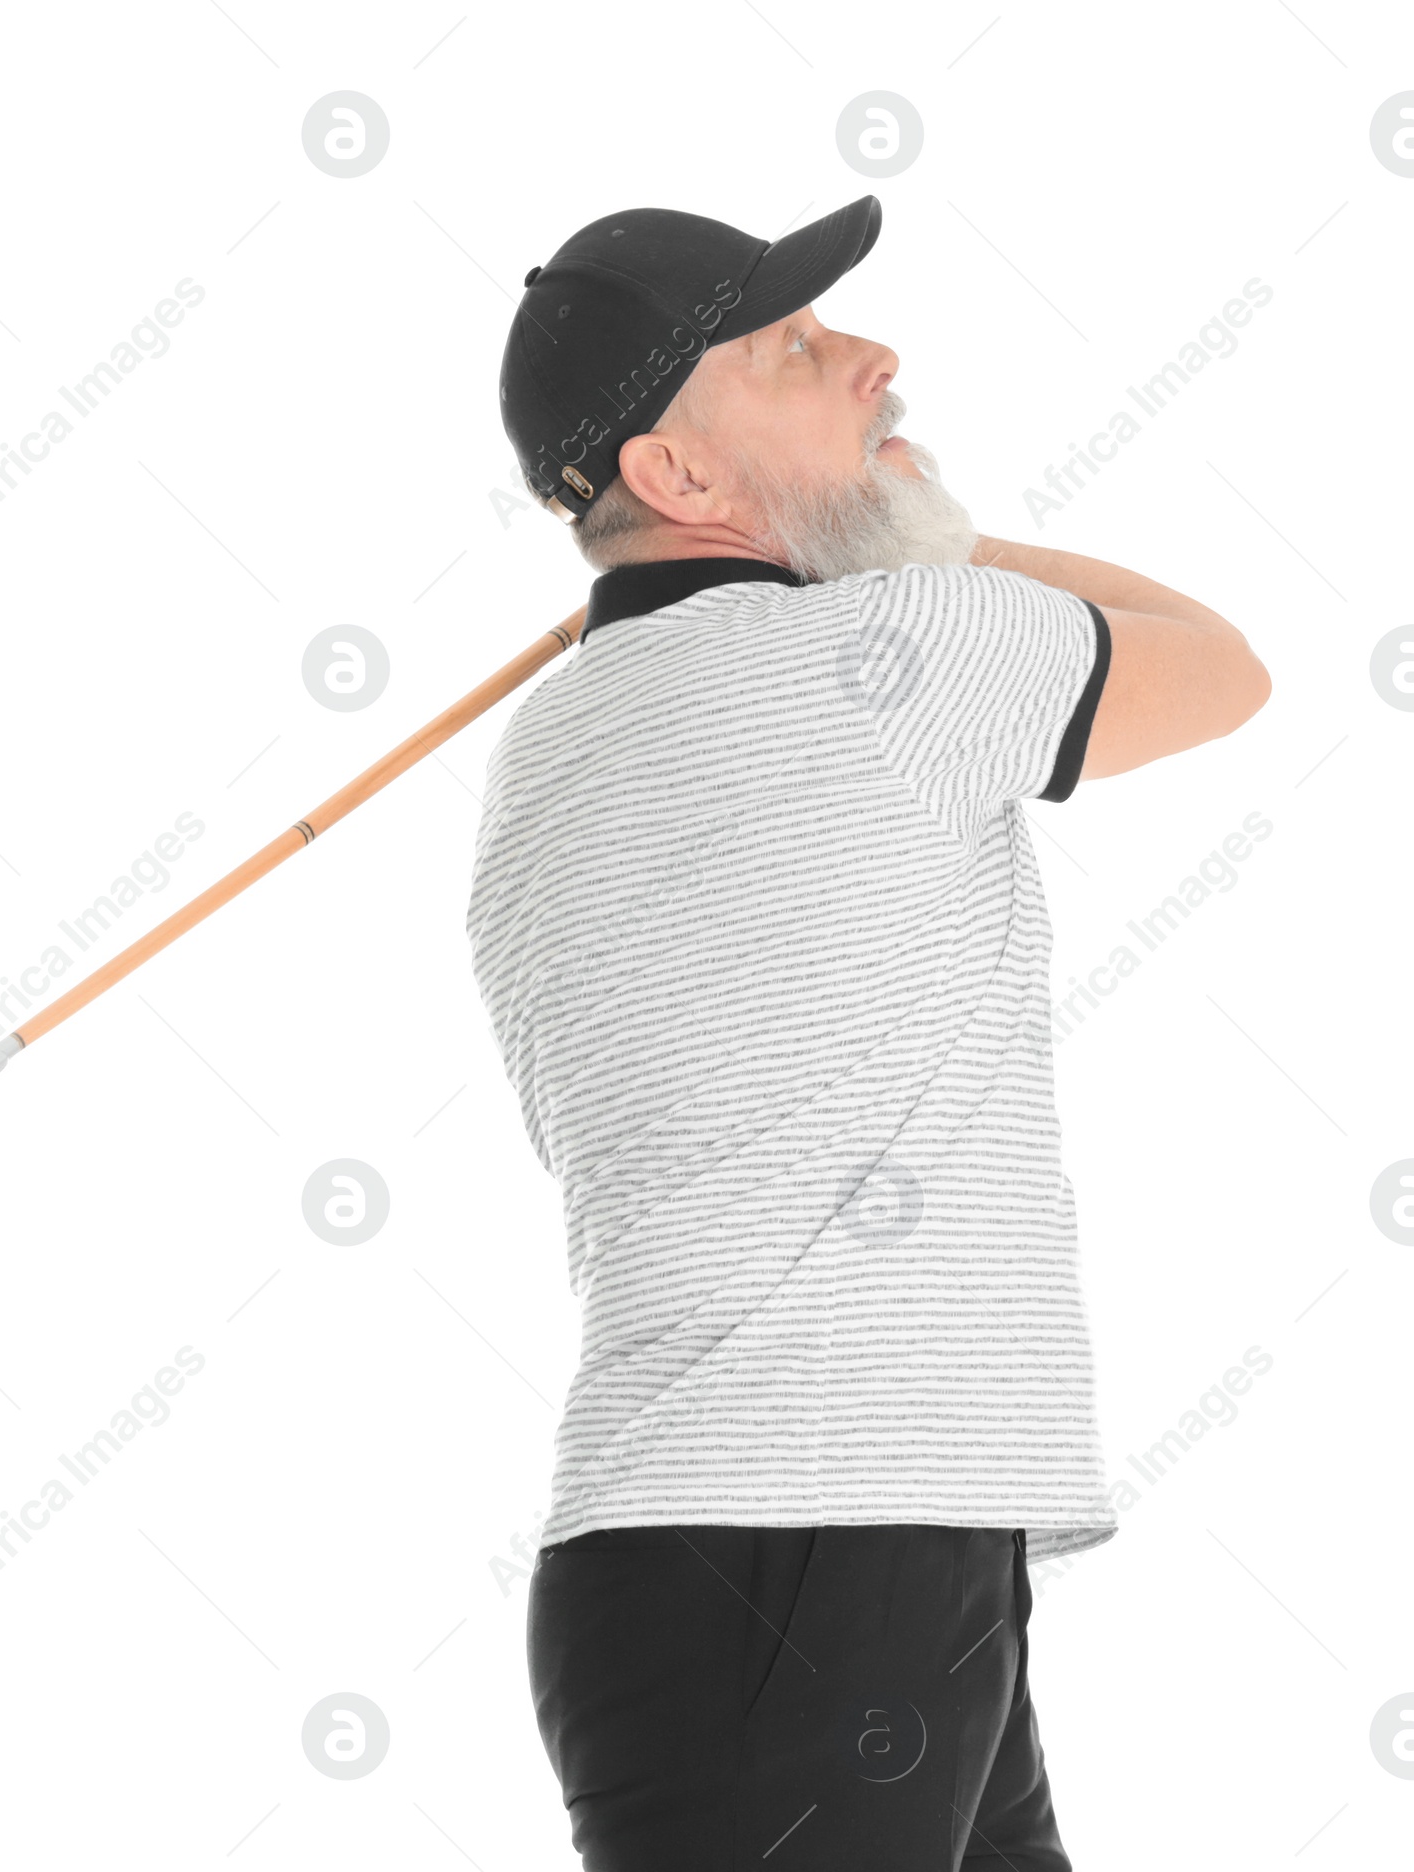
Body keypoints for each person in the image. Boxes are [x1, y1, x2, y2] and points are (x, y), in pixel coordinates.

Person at [466, 196, 1270, 1872]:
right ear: (679, 481)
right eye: (796, 352)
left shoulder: (536, 772)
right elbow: (1225, 669)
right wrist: (922, 534)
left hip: (802, 1563)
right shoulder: (895, 647)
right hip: (817, 1548)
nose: (874, 359)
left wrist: (845, 521)